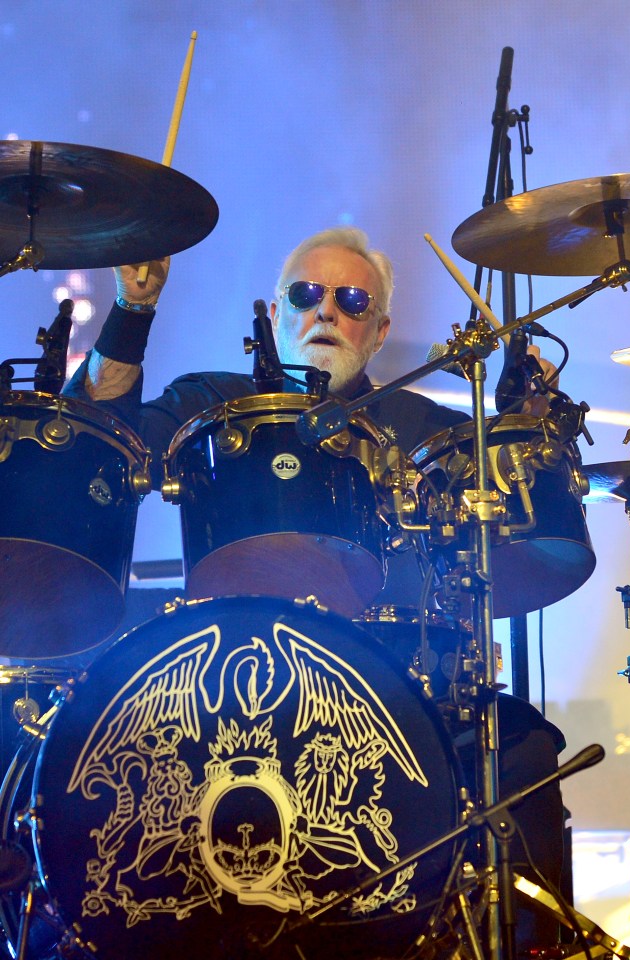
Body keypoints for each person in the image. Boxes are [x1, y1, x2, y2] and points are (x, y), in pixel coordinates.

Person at [65, 226, 566, 951]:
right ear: (274, 315)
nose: (326, 312)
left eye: (351, 299)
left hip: (392, 692)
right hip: (221, 694)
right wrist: (132, 311)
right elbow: (112, 436)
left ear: (380, 328)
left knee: (522, 748)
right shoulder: (212, 400)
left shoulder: (426, 424)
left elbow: (511, 514)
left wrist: (529, 416)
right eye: (306, 295)